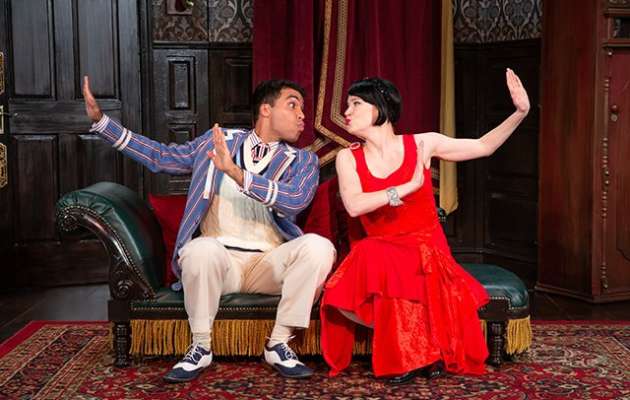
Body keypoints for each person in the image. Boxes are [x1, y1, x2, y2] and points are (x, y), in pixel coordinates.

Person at [82, 77, 336, 382]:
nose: (302, 116)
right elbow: (161, 157)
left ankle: (279, 343)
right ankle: (200, 347)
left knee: (320, 247)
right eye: (293, 105)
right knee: (199, 249)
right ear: (265, 109)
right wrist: (103, 123)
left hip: (270, 265)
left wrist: (237, 174)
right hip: (221, 263)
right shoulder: (217, 142)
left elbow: (295, 199)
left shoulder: (303, 160)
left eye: (302, 109)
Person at [320, 69, 530, 384]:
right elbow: (354, 205)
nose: (346, 112)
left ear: (379, 108)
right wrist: (406, 188)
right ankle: (424, 352)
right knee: (373, 257)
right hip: (382, 249)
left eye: (355, 104)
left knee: (393, 264)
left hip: (425, 248)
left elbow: (483, 146)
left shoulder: (422, 143)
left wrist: (520, 112)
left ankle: (415, 355)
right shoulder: (347, 158)